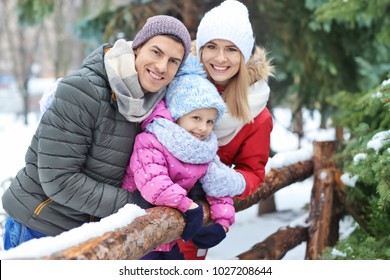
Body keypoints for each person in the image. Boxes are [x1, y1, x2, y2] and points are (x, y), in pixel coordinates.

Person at [1, 15, 193, 250]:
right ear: (137, 47)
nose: (162, 66)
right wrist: (135, 203)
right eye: (156, 52)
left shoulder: (151, 104)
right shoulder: (84, 90)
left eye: (174, 61)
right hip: (40, 226)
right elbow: (59, 179)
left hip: (90, 231)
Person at [121, 54, 244, 260]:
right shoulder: (151, 140)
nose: (203, 128)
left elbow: (218, 186)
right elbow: (155, 183)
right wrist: (188, 205)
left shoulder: (202, 150)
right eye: (196, 118)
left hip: (169, 238)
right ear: (178, 114)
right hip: (138, 235)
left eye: (210, 121)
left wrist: (222, 224)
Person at [178, 0, 274, 259]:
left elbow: (253, 173)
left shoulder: (256, 114)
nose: (220, 58)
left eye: (231, 49)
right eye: (212, 46)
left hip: (195, 221)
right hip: (139, 206)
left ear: (244, 55)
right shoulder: (176, 82)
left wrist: (229, 182)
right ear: (200, 48)